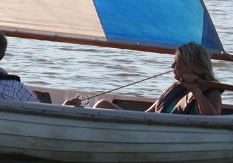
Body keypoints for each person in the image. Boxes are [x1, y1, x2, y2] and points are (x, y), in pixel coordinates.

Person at [65, 41, 223, 115]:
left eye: (176, 62)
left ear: (190, 66)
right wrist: (76, 110)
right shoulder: (175, 89)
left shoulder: (211, 92)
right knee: (102, 104)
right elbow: (147, 115)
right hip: (149, 130)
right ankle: (69, 110)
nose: (172, 66)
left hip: (165, 136)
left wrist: (196, 91)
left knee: (100, 106)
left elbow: (212, 119)